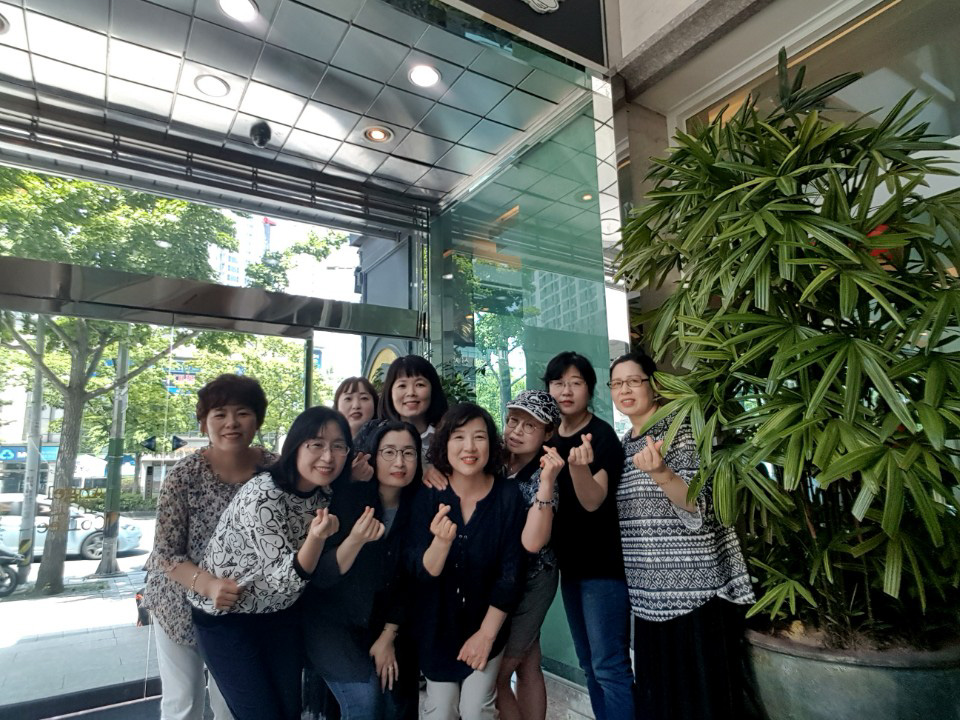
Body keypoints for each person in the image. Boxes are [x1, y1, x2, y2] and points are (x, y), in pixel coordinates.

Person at [609, 350, 755, 720]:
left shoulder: (681, 431)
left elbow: (698, 504)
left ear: (654, 386)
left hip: (694, 592)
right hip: (648, 595)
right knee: (663, 701)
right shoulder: (624, 444)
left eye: (633, 381)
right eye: (617, 383)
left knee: (700, 702)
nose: (624, 390)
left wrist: (661, 473)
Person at [189, 406, 350, 720]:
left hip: (279, 614)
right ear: (295, 446)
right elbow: (284, 579)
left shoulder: (324, 493)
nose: (328, 456)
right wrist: (316, 538)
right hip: (228, 618)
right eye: (316, 444)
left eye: (338, 446)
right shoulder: (264, 495)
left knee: (289, 712)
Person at [144, 373, 274, 720]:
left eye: (242, 413)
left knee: (231, 705)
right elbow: (166, 554)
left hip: (240, 608)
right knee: (183, 703)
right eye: (219, 414)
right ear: (204, 424)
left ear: (258, 420)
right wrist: (209, 585)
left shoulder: (276, 471)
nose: (231, 423)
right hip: (178, 602)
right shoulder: (183, 476)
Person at [407, 403, 525, 720]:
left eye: (479, 437)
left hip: (487, 624)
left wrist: (486, 635)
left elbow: (511, 574)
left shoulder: (508, 496)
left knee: (475, 709)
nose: (469, 447)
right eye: (458, 437)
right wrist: (441, 543)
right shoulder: (429, 495)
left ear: (492, 444)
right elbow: (419, 570)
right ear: (444, 444)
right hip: (437, 629)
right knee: (441, 710)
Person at [304, 420, 422, 720]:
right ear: (372, 457)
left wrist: (387, 637)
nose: (399, 462)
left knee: (394, 704)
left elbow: (413, 580)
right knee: (365, 702)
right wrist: (355, 540)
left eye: (408, 453)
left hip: (385, 625)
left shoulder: (420, 508)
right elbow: (321, 577)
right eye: (389, 452)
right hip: (331, 623)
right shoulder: (349, 499)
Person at [543, 352, 634, 720]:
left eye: (576, 383)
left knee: (609, 666)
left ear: (590, 389)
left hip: (603, 568)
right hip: (570, 568)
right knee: (588, 664)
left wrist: (579, 469)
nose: (566, 391)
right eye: (558, 383)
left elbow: (594, 501)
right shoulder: (549, 438)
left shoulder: (602, 436)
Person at [495, 391, 565, 720]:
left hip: (533, 579)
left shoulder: (545, 475)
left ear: (548, 433)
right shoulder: (494, 462)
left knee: (497, 677)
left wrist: (548, 482)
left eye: (530, 425)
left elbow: (536, 541)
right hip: (501, 579)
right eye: (513, 421)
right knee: (528, 662)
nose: (517, 431)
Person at [378, 355, 448, 459]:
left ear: (433, 390)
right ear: (390, 393)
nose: (411, 393)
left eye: (419, 385)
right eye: (402, 385)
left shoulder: (449, 437)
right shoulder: (376, 437)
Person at [335, 376, 378, 482]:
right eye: (348, 399)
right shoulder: (327, 444)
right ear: (337, 405)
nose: (356, 406)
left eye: (364, 398)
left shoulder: (387, 439)